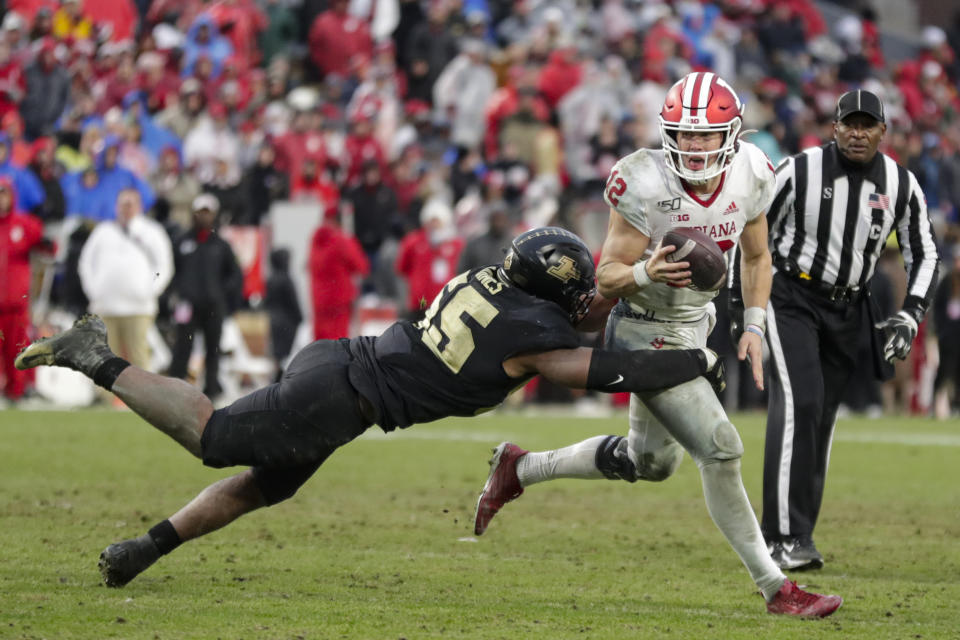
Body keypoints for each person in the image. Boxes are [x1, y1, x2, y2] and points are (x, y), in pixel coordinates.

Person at [16, 227, 735, 600]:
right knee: (215, 437)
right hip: (340, 395)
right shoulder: (533, 336)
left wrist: (638, 277)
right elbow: (610, 367)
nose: (579, 306)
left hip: (344, 371)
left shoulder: (495, 281)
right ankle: (96, 357)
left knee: (267, 484)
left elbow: (572, 321)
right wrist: (700, 357)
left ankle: (143, 550)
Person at [472, 73, 842, 618]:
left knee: (649, 462)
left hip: (698, 323)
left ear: (731, 134)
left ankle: (519, 469)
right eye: (684, 134)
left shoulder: (753, 172)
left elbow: (758, 257)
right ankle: (776, 587)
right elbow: (607, 278)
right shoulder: (642, 179)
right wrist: (647, 271)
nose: (693, 146)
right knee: (721, 447)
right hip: (643, 327)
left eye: (705, 134)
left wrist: (756, 325)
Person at [734, 90, 939, 570]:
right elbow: (749, 227)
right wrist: (740, 303)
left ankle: (798, 533)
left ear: (884, 132)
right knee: (799, 403)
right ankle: (779, 537)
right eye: (850, 123)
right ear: (834, 126)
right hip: (790, 296)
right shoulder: (797, 169)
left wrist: (910, 313)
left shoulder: (900, 183)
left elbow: (925, 251)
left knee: (822, 419)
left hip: (850, 307)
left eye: (868, 125)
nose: (858, 132)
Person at [77, 188, 173, 372]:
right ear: (116, 206)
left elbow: (164, 265)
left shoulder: (151, 231)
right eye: (123, 204)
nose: (126, 208)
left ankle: (142, 396)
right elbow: (86, 262)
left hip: (138, 306)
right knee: (103, 355)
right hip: (105, 305)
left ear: (139, 206)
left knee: (139, 355)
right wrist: (93, 290)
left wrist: (149, 291)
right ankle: (102, 396)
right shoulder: (103, 231)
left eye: (130, 204)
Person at [167, 193, 244, 399]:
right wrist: (178, 292)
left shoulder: (221, 245)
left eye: (208, 213)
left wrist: (220, 293)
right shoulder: (182, 242)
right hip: (187, 305)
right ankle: (176, 386)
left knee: (213, 348)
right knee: (183, 345)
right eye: (201, 212)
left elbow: (235, 274)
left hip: (213, 305)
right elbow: (171, 271)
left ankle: (211, 389)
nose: (204, 217)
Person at [0, 177, 48, 402]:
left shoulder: (24, 224)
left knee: (17, 351)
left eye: (4, 194)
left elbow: (48, 248)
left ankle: (17, 394)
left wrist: (49, 242)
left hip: (15, 306)